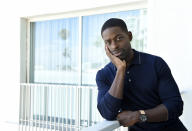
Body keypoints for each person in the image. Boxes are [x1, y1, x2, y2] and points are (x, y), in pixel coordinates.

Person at [96, 18, 187, 131]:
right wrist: (120, 70)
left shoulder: (155, 63)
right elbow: (107, 113)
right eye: (108, 42)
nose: (114, 46)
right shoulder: (103, 75)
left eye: (119, 38)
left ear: (129, 36)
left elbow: (175, 106)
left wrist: (139, 116)